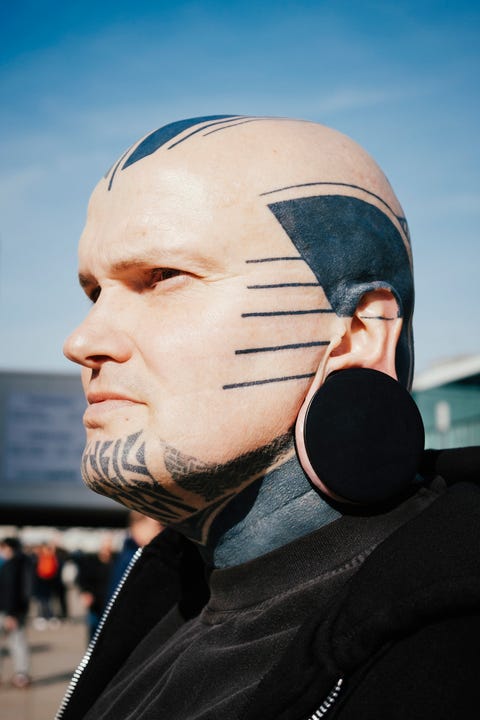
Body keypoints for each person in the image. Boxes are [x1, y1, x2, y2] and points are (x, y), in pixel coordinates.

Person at [57, 116, 480, 719]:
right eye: (95, 292)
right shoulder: (164, 593)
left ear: (358, 332)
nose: (82, 340)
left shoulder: (450, 655)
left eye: (163, 277)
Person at [0, 537, 33, 688]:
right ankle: (21, 674)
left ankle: (21, 675)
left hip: (9, 612)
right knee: (17, 642)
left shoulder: (13, 564)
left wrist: (11, 614)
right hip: (14, 610)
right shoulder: (23, 562)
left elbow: (11, 590)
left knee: (17, 642)